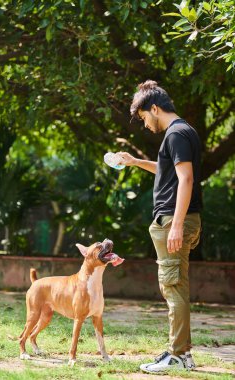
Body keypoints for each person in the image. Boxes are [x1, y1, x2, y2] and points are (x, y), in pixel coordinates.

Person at [117, 80, 201, 373]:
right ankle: (182, 354)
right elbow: (169, 170)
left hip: (173, 220)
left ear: (154, 108)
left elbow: (186, 179)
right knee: (177, 286)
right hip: (177, 219)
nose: (145, 124)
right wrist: (135, 161)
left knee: (173, 288)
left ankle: (177, 355)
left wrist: (176, 225)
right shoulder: (183, 131)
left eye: (144, 117)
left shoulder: (176, 134)